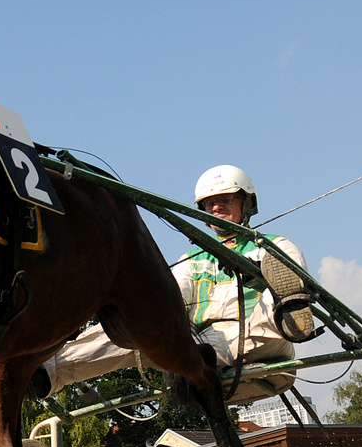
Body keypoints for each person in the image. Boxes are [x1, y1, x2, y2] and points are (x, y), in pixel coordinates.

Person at [34, 166, 311, 404]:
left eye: (225, 199)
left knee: (280, 270)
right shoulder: (191, 260)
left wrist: (249, 265)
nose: (216, 207)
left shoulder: (272, 245)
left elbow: (288, 261)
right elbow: (170, 299)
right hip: (204, 343)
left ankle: (291, 309)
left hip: (262, 335)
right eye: (209, 204)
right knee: (135, 326)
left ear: (247, 204)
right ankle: (44, 370)